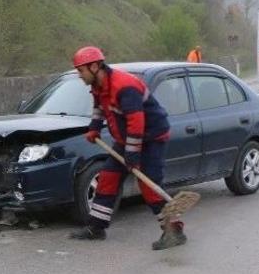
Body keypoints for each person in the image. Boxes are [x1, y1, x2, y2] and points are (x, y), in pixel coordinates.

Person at [68, 46, 186, 250]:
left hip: (151, 138)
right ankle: (97, 228)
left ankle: (174, 231)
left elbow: (136, 122)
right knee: (108, 178)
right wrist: (94, 128)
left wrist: (132, 155)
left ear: (94, 66)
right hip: (126, 139)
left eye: (80, 70)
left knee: (149, 185)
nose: (79, 75)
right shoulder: (99, 86)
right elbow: (99, 107)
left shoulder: (124, 86)